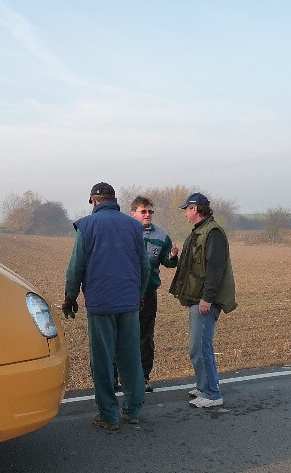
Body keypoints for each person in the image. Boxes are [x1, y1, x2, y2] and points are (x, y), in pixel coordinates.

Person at [62, 182, 150, 430]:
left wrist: (70, 297)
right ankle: (132, 410)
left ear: (93, 201)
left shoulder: (86, 226)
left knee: (102, 360)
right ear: (114, 200)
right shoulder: (134, 226)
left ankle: (109, 415)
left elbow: (76, 266)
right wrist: (139, 294)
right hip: (129, 302)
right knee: (130, 357)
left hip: (101, 304)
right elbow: (144, 266)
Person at [169, 192, 237, 408]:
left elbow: (215, 268)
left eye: (186, 210)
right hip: (196, 298)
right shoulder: (200, 231)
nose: (185, 214)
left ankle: (211, 394)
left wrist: (207, 298)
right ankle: (204, 385)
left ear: (195, 209)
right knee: (198, 346)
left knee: (199, 347)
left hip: (204, 300)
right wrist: (174, 258)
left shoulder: (212, 233)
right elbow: (194, 265)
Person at [129, 196, 179, 392]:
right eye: (143, 211)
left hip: (148, 293)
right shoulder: (124, 231)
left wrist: (172, 257)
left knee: (145, 337)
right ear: (133, 213)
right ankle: (115, 376)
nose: (148, 215)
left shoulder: (161, 235)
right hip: (126, 293)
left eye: (150, 211)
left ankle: (143, 377)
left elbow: (167, 262)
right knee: (120, 336)